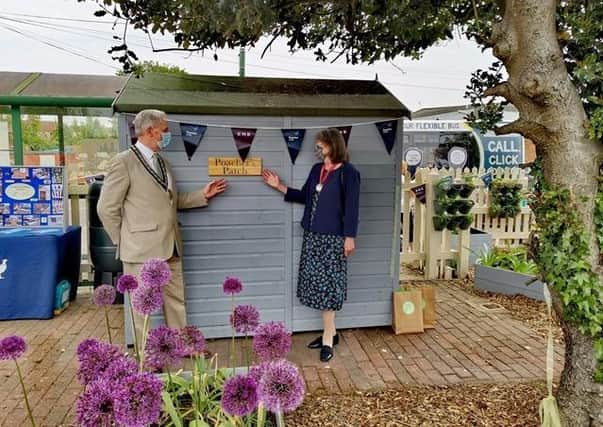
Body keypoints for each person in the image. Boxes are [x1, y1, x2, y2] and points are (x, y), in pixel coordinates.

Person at [97, 109, 227, 351]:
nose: (168, 135)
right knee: (141, 306)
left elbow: (170, 202)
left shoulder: (163, 162)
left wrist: (202, 195)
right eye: (165, 130)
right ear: (150, 131)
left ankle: (183, 346)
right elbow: (106, 209)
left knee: (176, 300)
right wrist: (124, 241)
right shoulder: (123, 162)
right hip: (139, 250)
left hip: (171, 246)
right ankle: (145, 357)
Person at [262, 128, 360, 362]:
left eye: (321, 145)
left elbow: (352, 208)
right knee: (317, 286)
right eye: (317, 146)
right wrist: (279, 186)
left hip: (334, 239)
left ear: (333, 145)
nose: (318, 149)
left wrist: (350, 236)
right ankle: (332, 332)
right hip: (313, 237)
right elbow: (306, 196)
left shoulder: (349, 173)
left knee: (329, 288)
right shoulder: (318, 170)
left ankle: (328, 337)